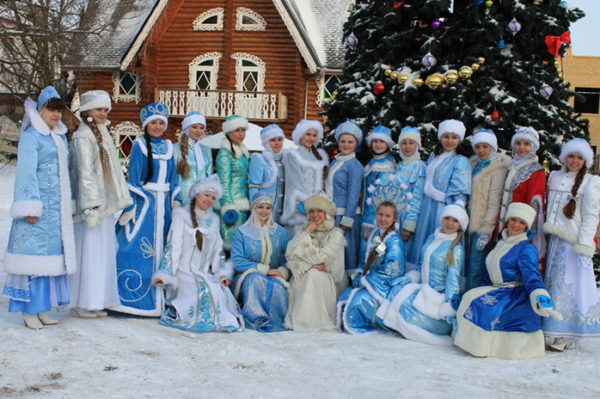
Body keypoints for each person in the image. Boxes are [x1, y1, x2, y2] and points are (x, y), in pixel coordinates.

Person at [2, 86, 75, 329]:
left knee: (48, 259)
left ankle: (42, 307)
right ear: (40, 110)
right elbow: (25, 173)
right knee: (31, 257)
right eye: (50, 109)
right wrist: (29, 207)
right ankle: (28, 309)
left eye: (58, 110)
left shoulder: (60, 136)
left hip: (55, 212)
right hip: (38, 209)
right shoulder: (32, 137)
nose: (55, 115)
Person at [454, 203, 561, 360]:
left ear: (526, 226)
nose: (516, 225)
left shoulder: (526, 248)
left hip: (514, 295)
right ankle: (469, 341)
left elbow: (532, 276)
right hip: (497, 289)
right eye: (513, 220)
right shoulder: (500, 243)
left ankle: (486, 346)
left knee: (486, 309)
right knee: (470, 297)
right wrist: (479, 290)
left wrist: (539, 294)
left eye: (521, 222)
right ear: (507, 220)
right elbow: (488, 273)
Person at [69, 90, 131, 318]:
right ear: (87, 111)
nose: (103, 114)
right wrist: (91, 205)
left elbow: (113, 171)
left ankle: (96, 300)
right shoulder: (83, 136)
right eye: (99, 109)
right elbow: (84, 173)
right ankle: (82, 302)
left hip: (104, 205)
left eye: (106, 110)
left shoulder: (103, 133)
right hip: (91, 207)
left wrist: (121, 199)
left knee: (102, 254)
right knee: (90, 254)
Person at [153, 175, 243, 333]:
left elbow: (218, 250)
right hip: (184, 271)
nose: (209, 200)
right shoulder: (181, 215)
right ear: (196, 194)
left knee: (218, 289)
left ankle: (221, 320)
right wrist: (167, 273)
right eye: (206, 195)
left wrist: (221, 273)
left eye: (213, 198)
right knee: (205, 290)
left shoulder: (214, 220)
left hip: (203, 272)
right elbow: (173, 245)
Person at [114, 102, 180, 316]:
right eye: (154, 123)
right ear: (146, 125)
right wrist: (132, 205)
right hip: (146, 206)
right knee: (135, 247)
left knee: (166, 248)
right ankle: (133, 300)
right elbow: (133, 180)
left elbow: (174, 180)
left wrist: (177, 202)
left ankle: (162, 301)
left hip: (165, 207)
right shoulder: (139, 145)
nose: (158, 127)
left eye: (162, 123)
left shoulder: (170, 147)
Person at [379, 205, 467, 345]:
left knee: (404, 308)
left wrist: (449, 306)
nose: (450, 223)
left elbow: (453, 279)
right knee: (397, 290)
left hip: (436, 297)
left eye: (455, 221)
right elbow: (422, 265)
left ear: (460, 225)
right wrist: (410, 277)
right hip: (422, 288)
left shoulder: (456, 249)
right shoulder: (432, 237)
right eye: (447, 218)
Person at [543, 139, 600, 351]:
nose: (574, 161)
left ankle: (568, 332)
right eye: (571, 156)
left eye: (579, 157)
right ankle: (551, 325)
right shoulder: (555, 177)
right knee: (553, 284)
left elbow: (591, 216)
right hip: (554, 240)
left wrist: (585, 245)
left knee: (569, 286)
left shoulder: (591, 182)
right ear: (564, 157)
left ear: (585, 160)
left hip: (573, 244)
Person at [408, 120, 471, 268]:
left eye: (454, 137)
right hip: (427, 206)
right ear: (440, 137)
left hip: (443, 209)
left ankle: (436, 276)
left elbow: (460, 192)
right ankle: (418, 271)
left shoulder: (460, 161)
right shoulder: (434, 156)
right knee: (424, 240)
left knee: (439, 241)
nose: (449, 141)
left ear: (459, 140)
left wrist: (454, 214)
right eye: (446, 136)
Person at [338, 201, 405, 334]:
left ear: (394, 219)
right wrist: (359, 275)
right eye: (380, 214)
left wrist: (366, 280)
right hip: (369, 281)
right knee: (344, 296)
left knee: (358, 301)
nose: (383, 219)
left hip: (383, 286)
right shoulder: (374, 235)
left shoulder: (395, 241)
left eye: (387, 216)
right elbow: (365, 261)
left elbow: (392, 271)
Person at [284, 194, 346, 332]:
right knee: (310, 274)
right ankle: (303, 320)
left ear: (327, 213)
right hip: (303, 275)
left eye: (319, 211)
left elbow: (321, 258)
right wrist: (307, 233)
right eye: (311, 211)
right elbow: (290, 254)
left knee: (313, 275)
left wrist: (305, 257)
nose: (315, 215)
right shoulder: (301, 230)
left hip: (328, 280)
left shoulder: (335, 234)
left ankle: (312, 322)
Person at [231, 194, 292, 332]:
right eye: (260, 207)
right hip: (247, 276)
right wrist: (264, 270)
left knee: (277, 285)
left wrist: (282, 272)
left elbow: (289, 259)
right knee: (255, 279)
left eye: (268, 208)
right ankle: (255, 319)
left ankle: (276, 320)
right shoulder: (241, 233)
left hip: (275, 276)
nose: (264, 211)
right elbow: (237, 261)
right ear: (253, 209)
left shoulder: (281, 233)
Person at [466, 129, 511, 290]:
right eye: (478, 146)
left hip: (482, 225)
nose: (481, 150)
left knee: (477, 266)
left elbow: (495, 201)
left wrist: (486, 230)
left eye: (485, 146)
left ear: (492, 147)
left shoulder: (497, 168)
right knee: (465, 264)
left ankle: (474, 299)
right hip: (467, 223)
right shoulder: (472, 165)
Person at [498, 126, 546, 262]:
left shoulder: (536, 171)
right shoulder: (510, 166)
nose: (521, 148)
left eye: (526, 144)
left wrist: (527, 229)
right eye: (518, 143)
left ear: (533, 146)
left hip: (520, 226)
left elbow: (534, 203)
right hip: (505, 224)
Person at [325, 120, 364, 277]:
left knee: (345, 253)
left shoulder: (355, 166)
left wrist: (347, 220)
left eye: (350, 142)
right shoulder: (336, 161)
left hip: (344, 215)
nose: (346, 145)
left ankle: (345, 283)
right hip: (332, 213)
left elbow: (353, 195)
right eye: (343, 141)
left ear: (356, 144)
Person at [359, 125, 399, 269]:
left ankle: (371, 275)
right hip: (366, 215)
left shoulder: (387, 165)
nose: (378, 144)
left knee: (374, 249)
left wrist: (374, 219)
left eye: (381, 141)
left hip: (376, 218)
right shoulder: (372, 162)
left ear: (387, 144)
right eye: (375, 141)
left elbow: (383, 195)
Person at [280, 120, 328, 230]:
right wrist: (309, 204)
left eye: (314, 135)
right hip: (299, 206)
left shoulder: (318, 156)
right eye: (308, 134)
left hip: (317, 208)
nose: (311, 138)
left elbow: (321, 184)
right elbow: (295, 183)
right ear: (300, 135)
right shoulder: (293, 156)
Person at [216, 115, 250, 249]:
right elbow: (224, 182)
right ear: (229, 132)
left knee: (240, 243)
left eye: (243, 130)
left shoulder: (242, 152)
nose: (241, 134)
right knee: (230, 243)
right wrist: (228, 206)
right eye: (237, 130)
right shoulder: (225, 154)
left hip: (243, 203)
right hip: (232, 205)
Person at [395, 126, 426, 270]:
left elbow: (417, 198)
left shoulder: (420, 167)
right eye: (404, 143)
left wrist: (409, 225)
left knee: (405, 255)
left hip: (407, 219)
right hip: (392, 219)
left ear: (417, 145)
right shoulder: (397, 166)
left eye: (411, 143)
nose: (407, 147)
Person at [248, 124, 286, 222]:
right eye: (273, 140)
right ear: (266, 142)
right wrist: (257, 210)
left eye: (279, 139)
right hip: (264, 211)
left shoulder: (284, 160)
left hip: (282, 212)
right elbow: (253, 187)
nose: (277, 143)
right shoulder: (259, 159)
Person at [174, 111, 213, 206]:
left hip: (203, 198)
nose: (198, 131)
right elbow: (173, 176)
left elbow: (209, 174)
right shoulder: (175, 149)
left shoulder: (206, 149)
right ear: (186, 128)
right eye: (194, 127)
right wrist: (175, 198)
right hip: (184, 197)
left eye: (202, 128)